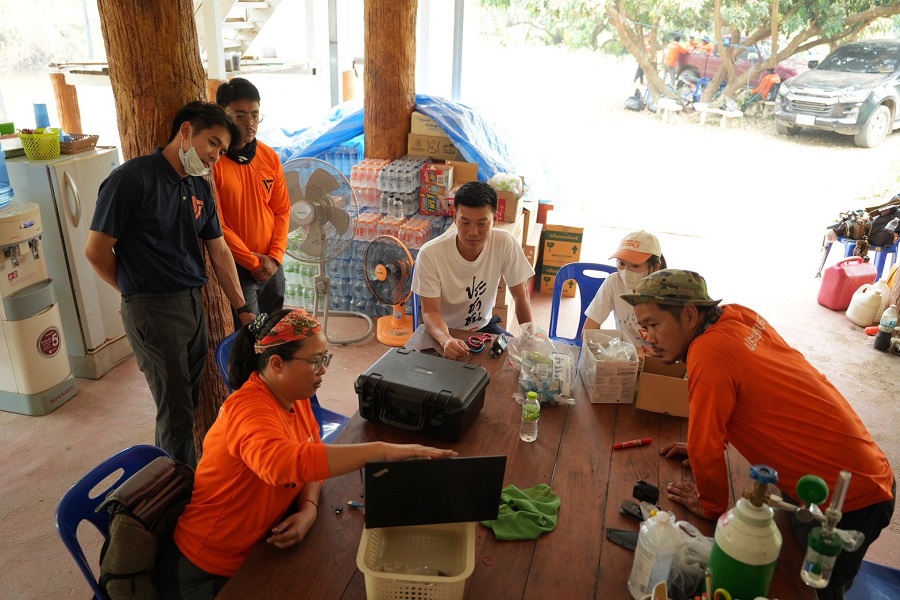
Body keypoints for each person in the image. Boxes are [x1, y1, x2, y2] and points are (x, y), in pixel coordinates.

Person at [621, 269, 895, 599]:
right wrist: (708, 442)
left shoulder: (708, 353)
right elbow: (751, 390)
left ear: (690, 315)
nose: (647, 337)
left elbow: (705, 447)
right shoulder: (738, 315)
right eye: (644, 327)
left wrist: (711, 505)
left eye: (653, 325)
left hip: (846, 499)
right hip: (860, 466)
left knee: (809, 588)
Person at [168, 309, 456, 598]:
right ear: (277, 364)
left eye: (325, 358)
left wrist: (308, 508)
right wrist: (380, 451)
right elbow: (281, 465)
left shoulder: (294, 395)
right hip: (211, 567)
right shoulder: (247, 411)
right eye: (315, 361)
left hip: (262, 546)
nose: (323, 371)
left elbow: (311, 455)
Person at [86, 101, 256, 468]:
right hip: (153, 308)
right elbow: (96, 251)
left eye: (222, 151)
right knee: (175, 412)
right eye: (213, 143)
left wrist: (242, 309)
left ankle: (179, 477)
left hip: (192, 304)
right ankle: (177, 489)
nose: (215, 156)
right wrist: (133, 294)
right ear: (186, 131)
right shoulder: (132, 179)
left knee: (186, 403)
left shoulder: (198, 186)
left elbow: (219, 251)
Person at [411, 181, 534, 360]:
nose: (473, 232)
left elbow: (520, 296)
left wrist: (530, 341)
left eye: (482, 223)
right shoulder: (430, 254)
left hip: (484, 327)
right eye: (465, 222)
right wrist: (446, 340)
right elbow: (431, 312)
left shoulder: (505, 243)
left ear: (495, 220)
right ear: (455, 218)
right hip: (443, 330)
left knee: (513, 365)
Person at [215, 78, 291, 329]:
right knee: (249, 335)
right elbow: (218, 225)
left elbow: (282, 210)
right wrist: (254, 263)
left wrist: (275, 257)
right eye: (240, 116)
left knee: (273, 332)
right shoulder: (214, 161)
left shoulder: (269, 156)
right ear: (223, 115)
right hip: (238, 268)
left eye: (255, 115)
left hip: (273, 265)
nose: (249, 123)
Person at [583, 231, 665, 353]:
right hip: (625, 355)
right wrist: (627, 350)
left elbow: (671, 349)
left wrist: (641, 352)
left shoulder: (666, 293)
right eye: (622, 263)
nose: (626, 271)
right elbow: (588, 332)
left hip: (656, 359)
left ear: (655, 267)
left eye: (635, 266)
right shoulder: (614, 282)